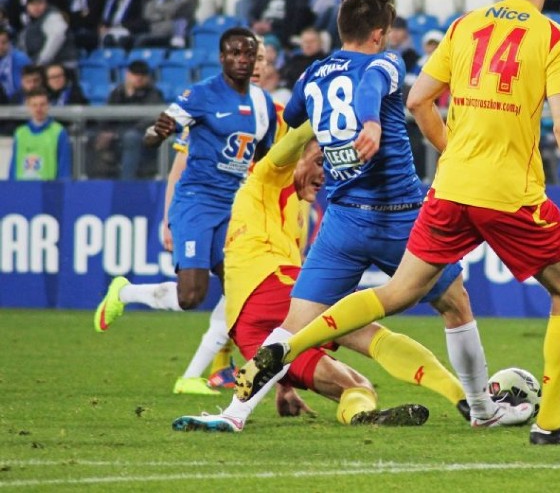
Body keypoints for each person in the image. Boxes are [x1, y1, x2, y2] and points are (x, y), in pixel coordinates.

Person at [236, 0, 560, 446]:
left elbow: (419, 100)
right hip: (510, 194)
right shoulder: (558, 41)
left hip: (448, 188)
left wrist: (453, 147)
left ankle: (289, 344)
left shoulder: (463, 26)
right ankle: (550, 424)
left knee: (398, 293)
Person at [227, 0, 534, 431]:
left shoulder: (313, 74)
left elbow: (293, 115)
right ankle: (483, 412)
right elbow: (371, 81)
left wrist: (324, 135)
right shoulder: (386, 62)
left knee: (293, 326)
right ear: (378, 34)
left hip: (342, 222)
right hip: (399, 218)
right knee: (455, 304)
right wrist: (369, 120)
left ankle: (234, 413)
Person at [172, 134, 470, 431]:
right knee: (367, 334)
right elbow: (294, 139)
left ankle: (359, 415)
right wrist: (321, 109)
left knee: (356, 386)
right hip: (273, 286)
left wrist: (282, 384)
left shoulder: (298, 211)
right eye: (318, 161)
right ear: (295, 159)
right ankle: (463, 396)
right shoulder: (267, 176)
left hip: (249, 329)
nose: (324, 174)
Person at [94, 30, 277, 371]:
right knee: (190, 296)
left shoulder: (264, 104)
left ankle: (233, 368)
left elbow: (266, 159)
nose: (241, 59)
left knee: (243, 287)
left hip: (233, 207)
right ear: (221, 57)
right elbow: (153, 136)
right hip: (196, 201)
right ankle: (124, 293)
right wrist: (157, 133)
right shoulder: (202, 94)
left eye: (248, 54)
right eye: (233, 53)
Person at [89, 60, 163, 179]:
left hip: (143, 141)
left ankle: (126, 182)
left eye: (142, 75)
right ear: (128, 75)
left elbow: (150, 120)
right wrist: (105, 131)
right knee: (90, 136)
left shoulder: (153, 94)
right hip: (117, 138)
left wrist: (118, 133)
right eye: (135, 75)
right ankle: (92, 182)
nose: (138, 78)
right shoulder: (118, 92)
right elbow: (108, 116)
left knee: (131, 137)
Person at [8, 87, 71, 180]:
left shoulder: (59, 132)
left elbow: (64, 168)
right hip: (23, 190)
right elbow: (14, 166)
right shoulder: (20, 133)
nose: (38, 109)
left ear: (48, 106)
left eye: (42, 104)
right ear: (28, 107)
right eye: (34, 105)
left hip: (47, 190)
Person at [19, 0, 78, 69]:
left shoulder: (53, 16)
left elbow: (57, 36)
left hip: (61, 65)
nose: (36, 7)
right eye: (32, 4)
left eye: (40, 3)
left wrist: (41, 62)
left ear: (46, 4)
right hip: (41, 65)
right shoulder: (30, 22)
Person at [0, 27, 31, 105]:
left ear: (9, 42)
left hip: (20, 101)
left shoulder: (21, 58)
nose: (1, 46)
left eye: (4, 42)